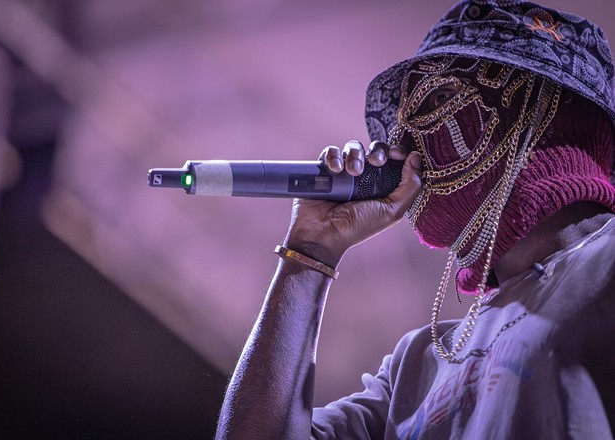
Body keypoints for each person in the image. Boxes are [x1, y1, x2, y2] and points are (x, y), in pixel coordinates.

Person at [215, 1, 615, 438]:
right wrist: (309, 250)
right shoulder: (419, 361)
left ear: (552, 110)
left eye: (438, 98)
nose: (403, 145)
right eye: (398, 126)